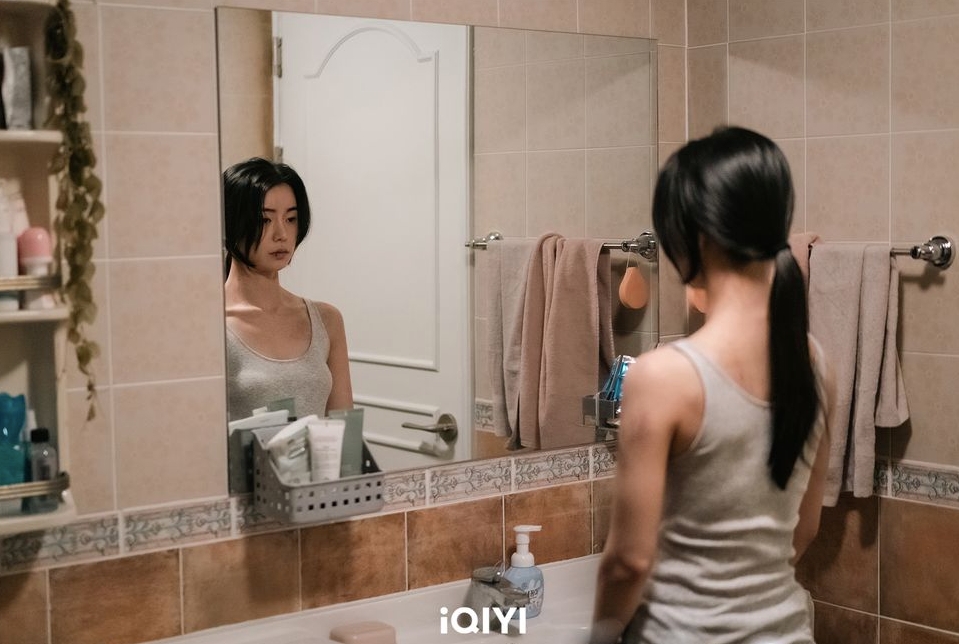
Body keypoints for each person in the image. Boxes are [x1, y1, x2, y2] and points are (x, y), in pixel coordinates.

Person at [589, 127, 834, 644]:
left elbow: (629, 562)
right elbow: (806, 527)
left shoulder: (663, 375)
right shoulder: (814, 362)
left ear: (691, 239)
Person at [223, 157, 353, 421]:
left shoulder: (326, 319)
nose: (281, 234)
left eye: (291, 218)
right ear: (230, 224)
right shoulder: (211, 325)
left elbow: (345, 430)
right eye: (264, 220)